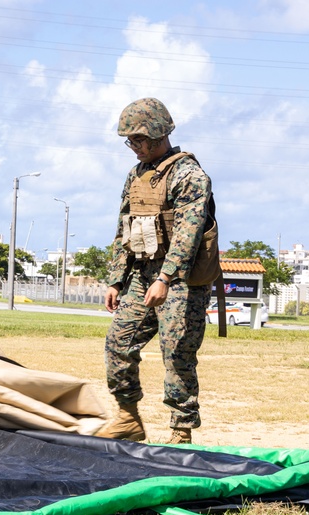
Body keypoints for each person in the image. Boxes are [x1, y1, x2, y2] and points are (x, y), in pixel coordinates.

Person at [97, 98, 220, 444]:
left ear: (156, 134)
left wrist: (165, 279)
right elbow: (125, 228)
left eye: (137, 140)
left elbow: (188, 234)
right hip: (141, 275)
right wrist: (116, 279)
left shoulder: (189, 175)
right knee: (118, 343)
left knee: (177, 352)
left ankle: (180, 431)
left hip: (180, 281)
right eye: (129, 141)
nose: (133, 148)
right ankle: (127, 418)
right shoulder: (136, 175)